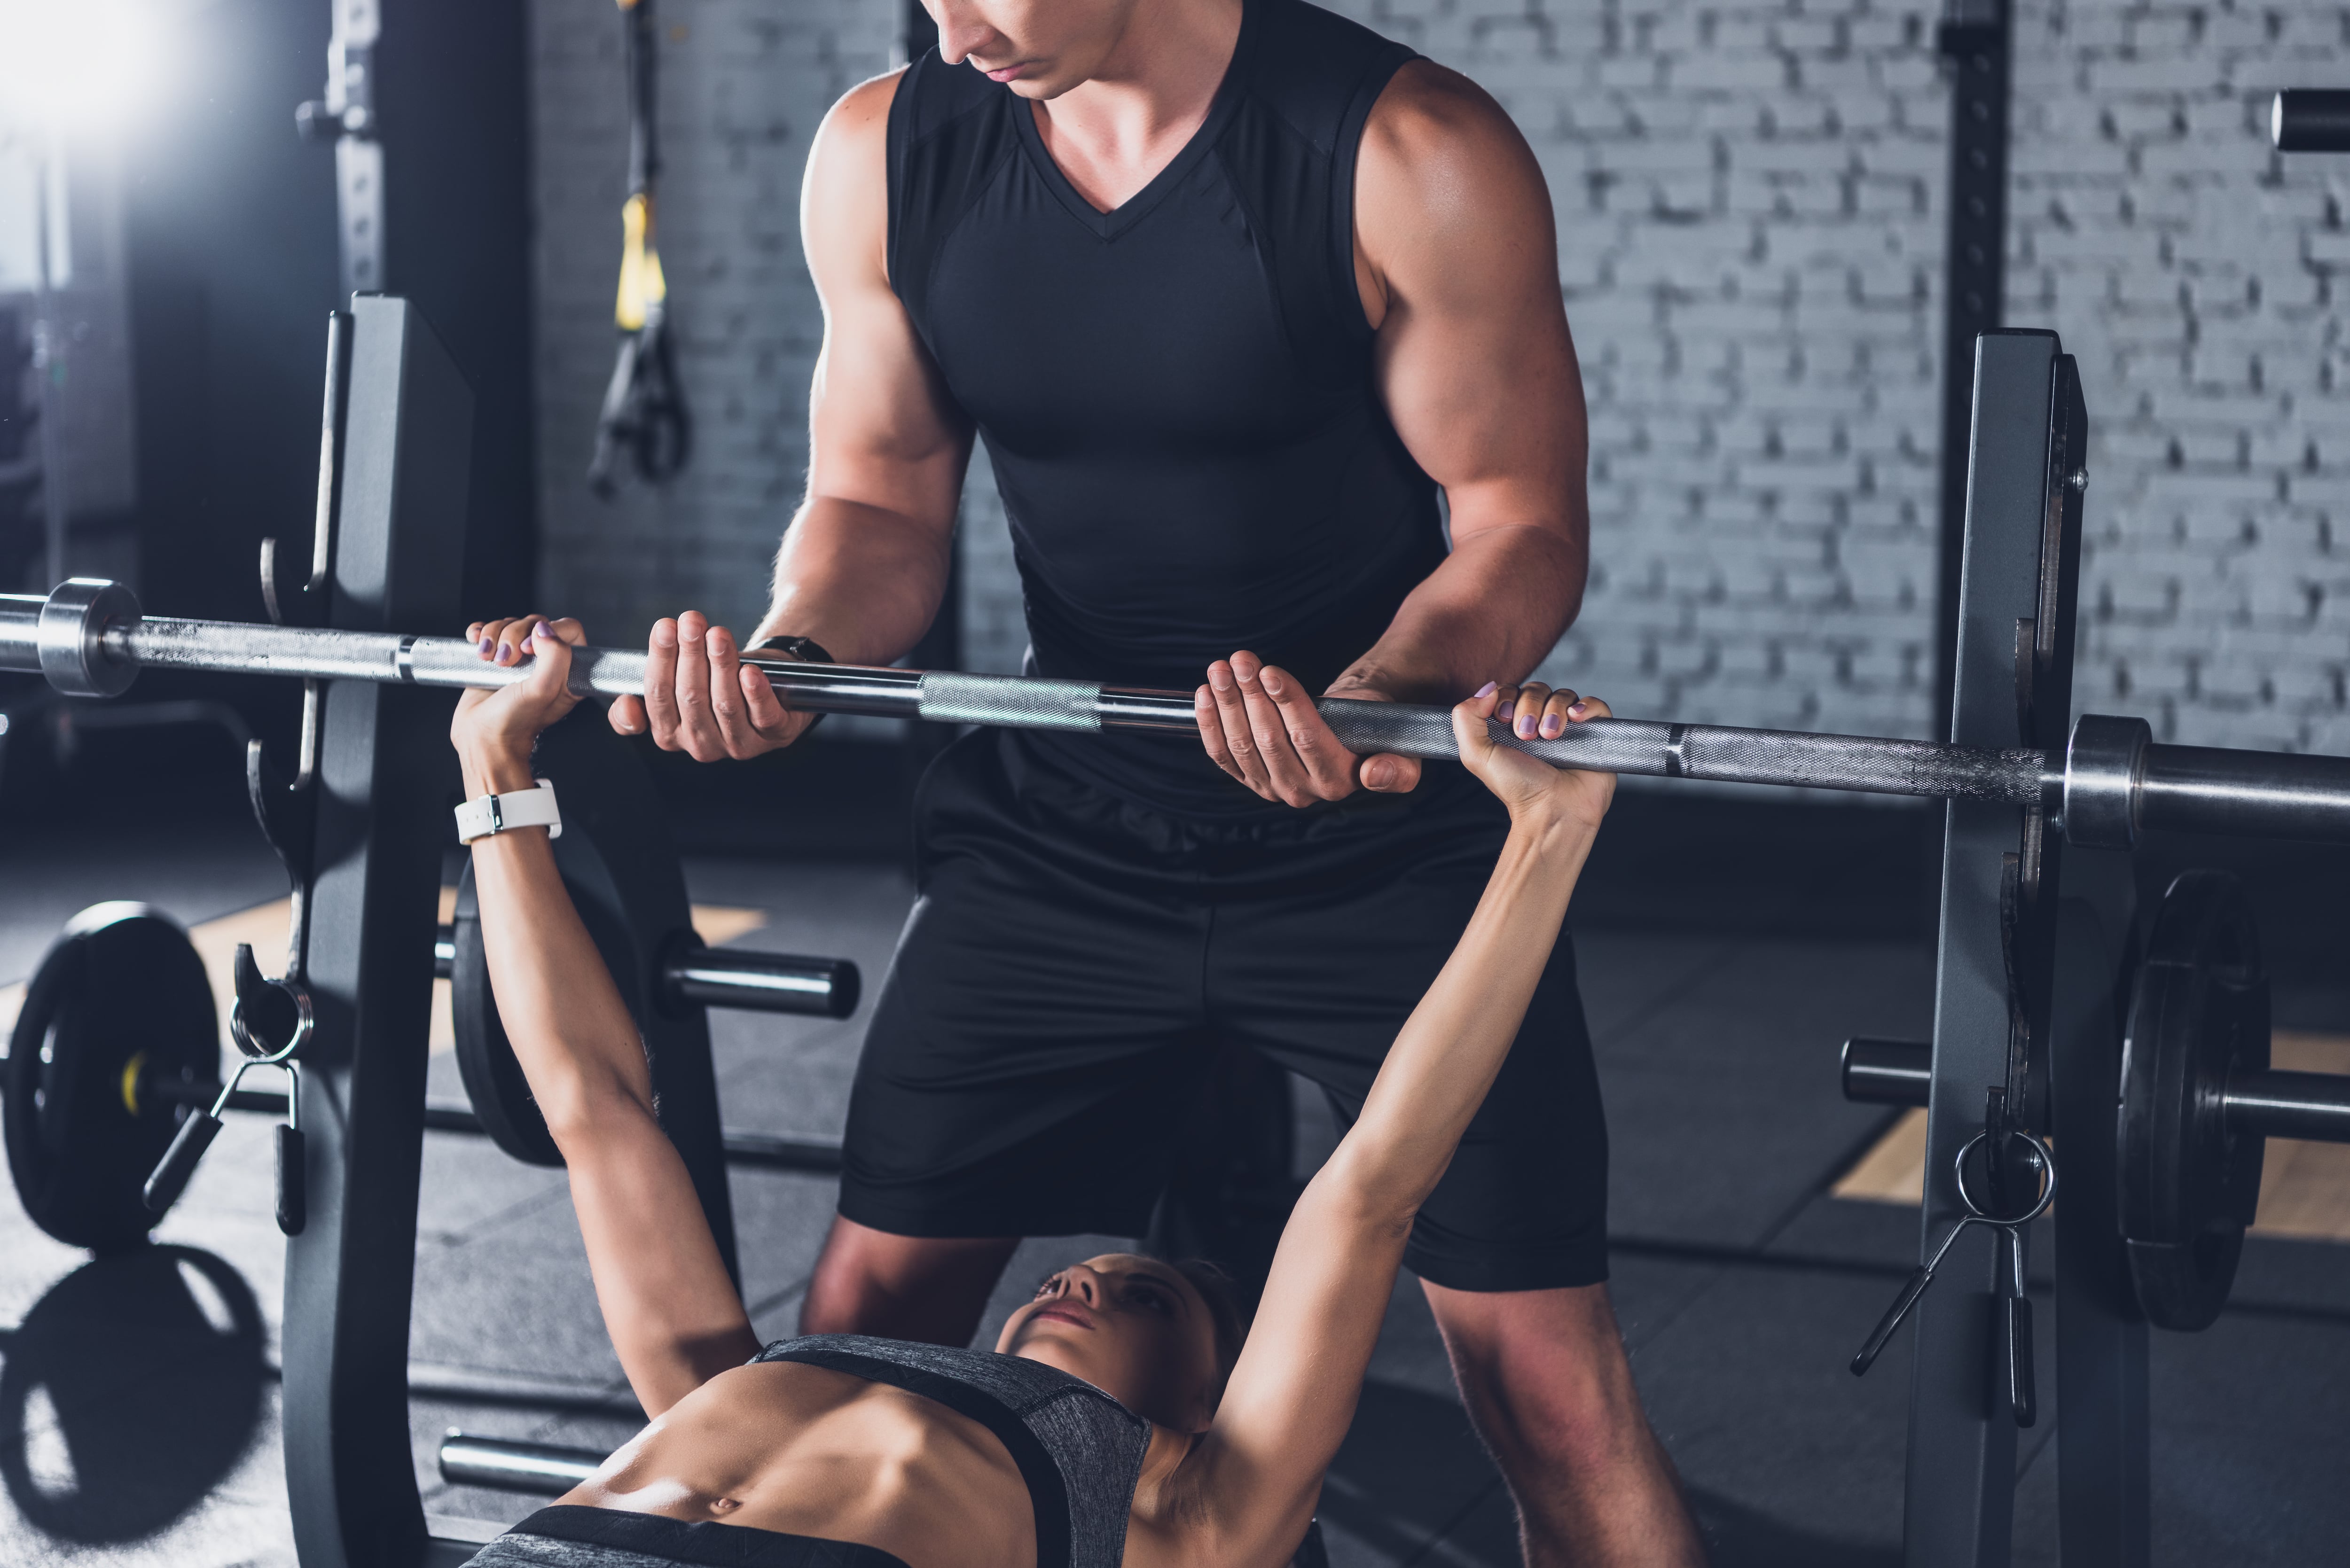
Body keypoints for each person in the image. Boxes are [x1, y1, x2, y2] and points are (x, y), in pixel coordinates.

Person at [564, 0, 1707, 1558]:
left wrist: (1380, 698)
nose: (955, 29)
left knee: (1548, 1390)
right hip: (1064, 829)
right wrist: (791, 658)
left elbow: (1516, 519)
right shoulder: (885, 157)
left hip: (1377, 842)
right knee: (844, 1335)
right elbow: (878, 495)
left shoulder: (1404, 153)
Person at [449, 619, 1618, 1568]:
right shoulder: (723, 1379)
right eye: (1098, 1273)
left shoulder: (1182, 1523)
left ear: (1209, 1405)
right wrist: (494, 762)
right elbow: (595, 1109)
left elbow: (1372, 1185)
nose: (1076, 1277)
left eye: (1147, 1301)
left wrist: (1546, 836)